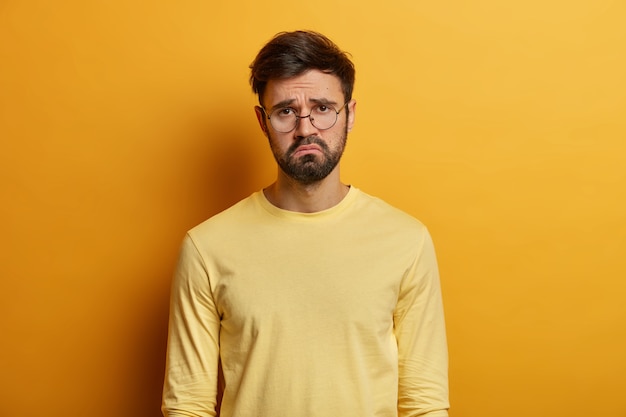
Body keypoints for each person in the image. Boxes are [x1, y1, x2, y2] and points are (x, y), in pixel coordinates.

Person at [162, 30, 449, 417]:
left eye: (323, 108)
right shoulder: (207, 248)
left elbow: (424, 403)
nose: (306, 128)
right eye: (285, 111)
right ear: (263, 122)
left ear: (349, 115)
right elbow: (187, 405)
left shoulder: (406, 241)